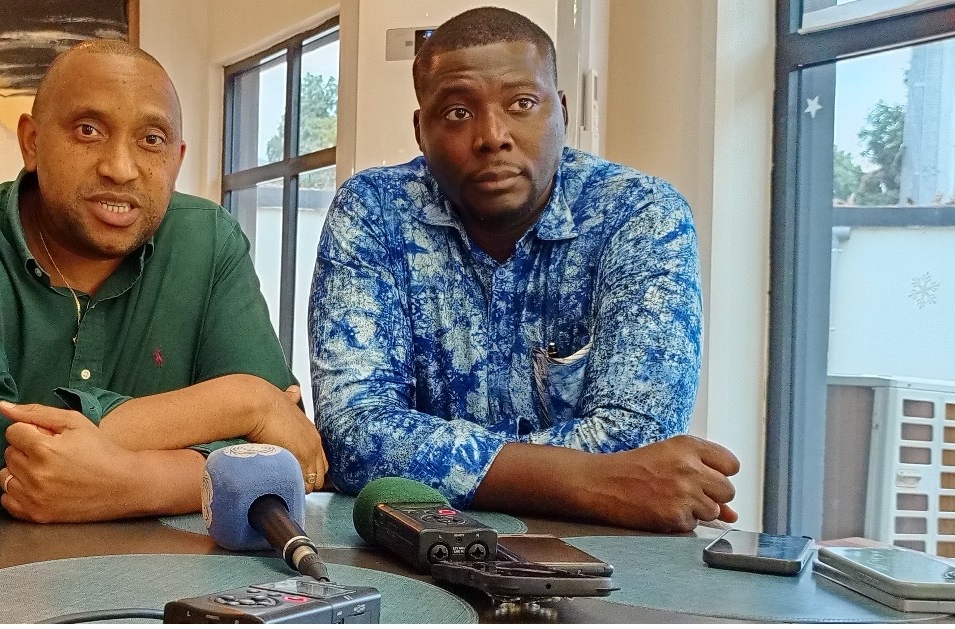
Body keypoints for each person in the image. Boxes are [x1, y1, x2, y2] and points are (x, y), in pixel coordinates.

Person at [0, 39, 325, 621]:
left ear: (176, 159)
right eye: (87, 130)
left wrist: (130, 478)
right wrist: (241, 401)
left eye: (150, 140)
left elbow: (280, 463)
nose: (120, 167)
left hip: (118, 596)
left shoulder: (209, 244)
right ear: (31, 142)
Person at [309, 7, 739, 535]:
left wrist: (430, 457)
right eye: (458, 113)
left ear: (562, 111)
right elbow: (353, 435)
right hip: (411, 546)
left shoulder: (639, 213)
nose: (492, 136)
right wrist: (593, 480)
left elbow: (637, 440)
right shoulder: (374, 209)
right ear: (421, 131)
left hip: (603, 551)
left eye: (522, 104)